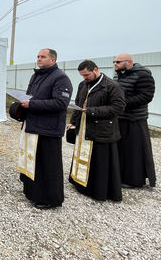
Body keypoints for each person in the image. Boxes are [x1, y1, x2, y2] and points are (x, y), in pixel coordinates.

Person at [18, 48, 72, 210]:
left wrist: (31, 104)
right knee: (34, 161)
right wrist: (24, 116)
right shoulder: (37, 75)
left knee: (49, 165)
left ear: (53, 60)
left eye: (43, 57)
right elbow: (29, 96)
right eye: (38, 56)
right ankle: (33, 192)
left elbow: (60, 103)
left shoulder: (61, 78)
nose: (39, 59)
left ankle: (50, 199)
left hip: (49, 128)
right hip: (33, 124)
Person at [68, 60, 125, 201]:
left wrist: (92, 111)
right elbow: (78, 105)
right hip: (84, 129)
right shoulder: (83, 85)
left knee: (100, 162)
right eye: (82, 76)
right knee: (83, 157)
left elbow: (119, 107)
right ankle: (80, 184)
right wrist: (72, 122)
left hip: (102, 130)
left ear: (95, 69)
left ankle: (98, 190)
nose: (84, 78)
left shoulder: (112, 86)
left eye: (86, 75)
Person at [113, 53, 156, 188]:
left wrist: (122, 103)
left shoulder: (143, 75)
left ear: (129, 62)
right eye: (114, 62)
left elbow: (146, 96)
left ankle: (134, 181)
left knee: (134, 151)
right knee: (121, 150)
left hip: (135, 119)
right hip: (120, 118)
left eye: (118, 62)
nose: (115, 64)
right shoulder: (117, 76)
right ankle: (120, 177)